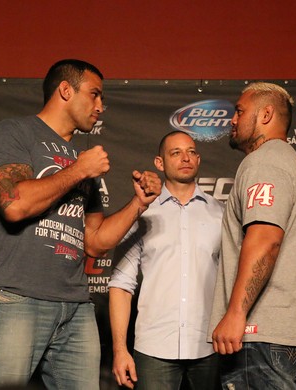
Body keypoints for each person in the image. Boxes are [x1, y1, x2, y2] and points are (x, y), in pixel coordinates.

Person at [0, 59, 161, 390]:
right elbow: (14, 204)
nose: (100, 107)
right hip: (18, 297)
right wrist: (79, 170)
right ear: (65, 90)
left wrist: (138, 204)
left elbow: (95, 241)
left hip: (76, 306)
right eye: (94, 95)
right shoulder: (15, 132)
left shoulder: (80, 159)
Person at [208, 82, 296, 389]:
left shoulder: (264, 162)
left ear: (265, 114)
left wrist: (237, 313)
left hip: (264, 338)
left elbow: (265, 239)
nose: (232, 120)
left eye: (240, 111)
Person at [109, 131, 224, 390]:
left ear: (198, 158)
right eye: (176, 152)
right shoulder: (141, 213)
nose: (186, 158)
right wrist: (120, 350)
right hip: (153, 349)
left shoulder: (221, 214)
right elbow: (121, 285)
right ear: (159, 163)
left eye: (192, 151)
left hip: (210, 347)